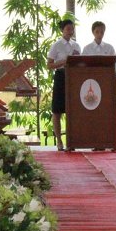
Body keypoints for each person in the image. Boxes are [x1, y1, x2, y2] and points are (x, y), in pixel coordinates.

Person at [45, 19, 80, 150]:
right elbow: (49, 65)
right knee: (57, 110)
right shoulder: (56, 45)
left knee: (73, 111)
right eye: (68, 29)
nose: (70, 31)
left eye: (72, 29)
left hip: (74, 78)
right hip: (61, 77)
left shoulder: (76, 45)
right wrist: (64, 62)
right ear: (62, 30)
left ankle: (72, 141)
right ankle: (59, 141)